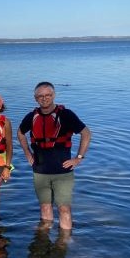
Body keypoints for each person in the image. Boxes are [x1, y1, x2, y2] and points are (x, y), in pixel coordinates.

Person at [17, 82, 91, 230]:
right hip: (40, 171)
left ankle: (64, 242)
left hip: (63, 171)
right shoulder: (31, 116)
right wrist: (27, 153)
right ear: (35, 98)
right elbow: (20, 133)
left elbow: (86, 133)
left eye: (48, 95)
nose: (44, 98)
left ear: (54, 95)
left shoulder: (66, 115)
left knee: (64, 208)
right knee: (45, 207)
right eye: (40, 96)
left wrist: (79, 157)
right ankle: (44, 240)